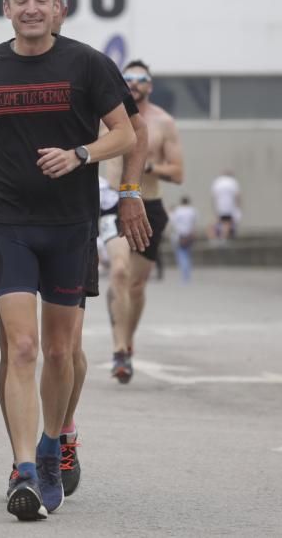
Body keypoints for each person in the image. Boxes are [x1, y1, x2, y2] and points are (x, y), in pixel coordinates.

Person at [0, 0, 151, 503]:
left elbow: (126, 132)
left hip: (71, 225)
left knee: (61, 351)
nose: (31, 8)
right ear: (6, 8)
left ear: (59, 9)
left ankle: (52, 444)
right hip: (8, 222)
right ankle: (23, 468)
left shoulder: (87, 63)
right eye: (20, 0)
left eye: (41, 0)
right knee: (21, 347)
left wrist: (81, 155)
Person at [104, 59, 184, 383]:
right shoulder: (106, 116)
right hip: (112, 203)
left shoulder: (164, 123)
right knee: (119, 272)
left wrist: (148, 167)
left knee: (136, 286)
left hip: (149, 206)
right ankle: (120, 350)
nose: (135, 83)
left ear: (150, 85)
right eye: (129, 78)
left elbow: (178, 172)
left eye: (141, 79)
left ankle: (127, 339)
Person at [169, 195, 198, 283]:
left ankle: (184, 275)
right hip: (189, 234)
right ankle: (187, 274)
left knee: (181, 255)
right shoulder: (193, 211)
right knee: (187, 254)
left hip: (179, 235)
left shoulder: (177, 211)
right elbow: (194, 223)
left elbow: (172, 222)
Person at [211, 169, 241, 241]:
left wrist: (214, 206)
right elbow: (237, 196)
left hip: (219, 205)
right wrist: (238, 206)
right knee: (227, 223)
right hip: (229, 206)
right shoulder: (232, 182)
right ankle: (223, 238)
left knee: (218, 221)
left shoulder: (217, 182)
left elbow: (214, 196)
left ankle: (213, 237)